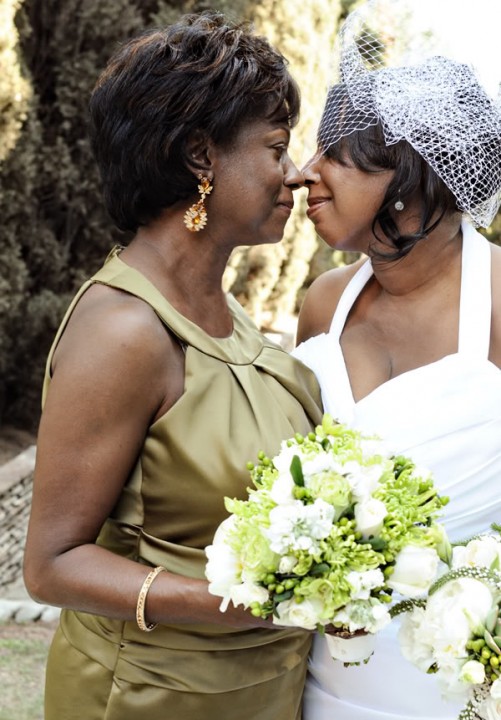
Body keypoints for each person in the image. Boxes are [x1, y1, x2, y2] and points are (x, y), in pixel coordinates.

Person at [23, 11, 323, 720]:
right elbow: (52, 564)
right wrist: (238, 603)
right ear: (200, 157)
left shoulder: (234, 318)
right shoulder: (124, 330)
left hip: (262, 692)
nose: (298, 174)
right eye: (276, 148)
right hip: (149, 698)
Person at [292, 0, 501, 718]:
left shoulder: (499, 300)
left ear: (408, 182)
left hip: (453, 684)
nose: (303, 173)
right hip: (318, 674)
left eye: (332, 157)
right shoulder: (321, 303)